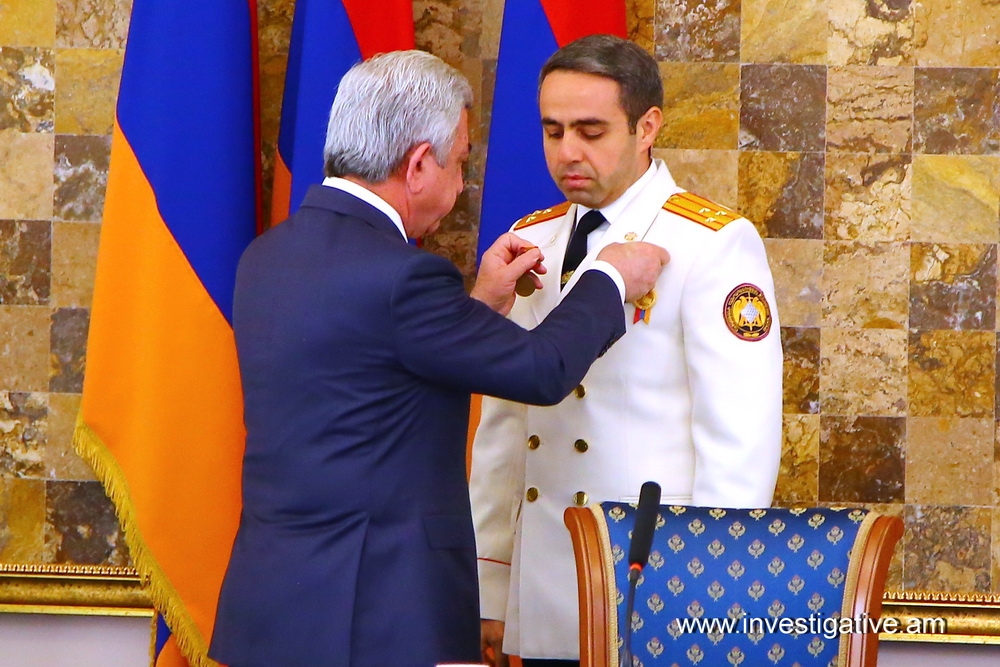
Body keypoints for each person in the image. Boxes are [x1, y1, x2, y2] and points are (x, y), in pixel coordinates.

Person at [208, 49, 668, 667]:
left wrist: (479, 306)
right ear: (420, 163)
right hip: (377, 619)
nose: (462, 185)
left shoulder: (268, 257)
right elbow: (542, 369)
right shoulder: (403, 277)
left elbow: (377, 376)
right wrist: (608, 276)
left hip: (272, 612)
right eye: (460, 163)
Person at [470, 35, 784, 667]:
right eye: (553, 131)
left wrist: (705, 596)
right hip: (543, 587)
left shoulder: (710, 244)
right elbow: (504, 431)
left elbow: (739, 441)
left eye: (591, 131)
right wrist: (491, 588)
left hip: (651, 589)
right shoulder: (530, 240)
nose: (568, 151)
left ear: (647, 127)